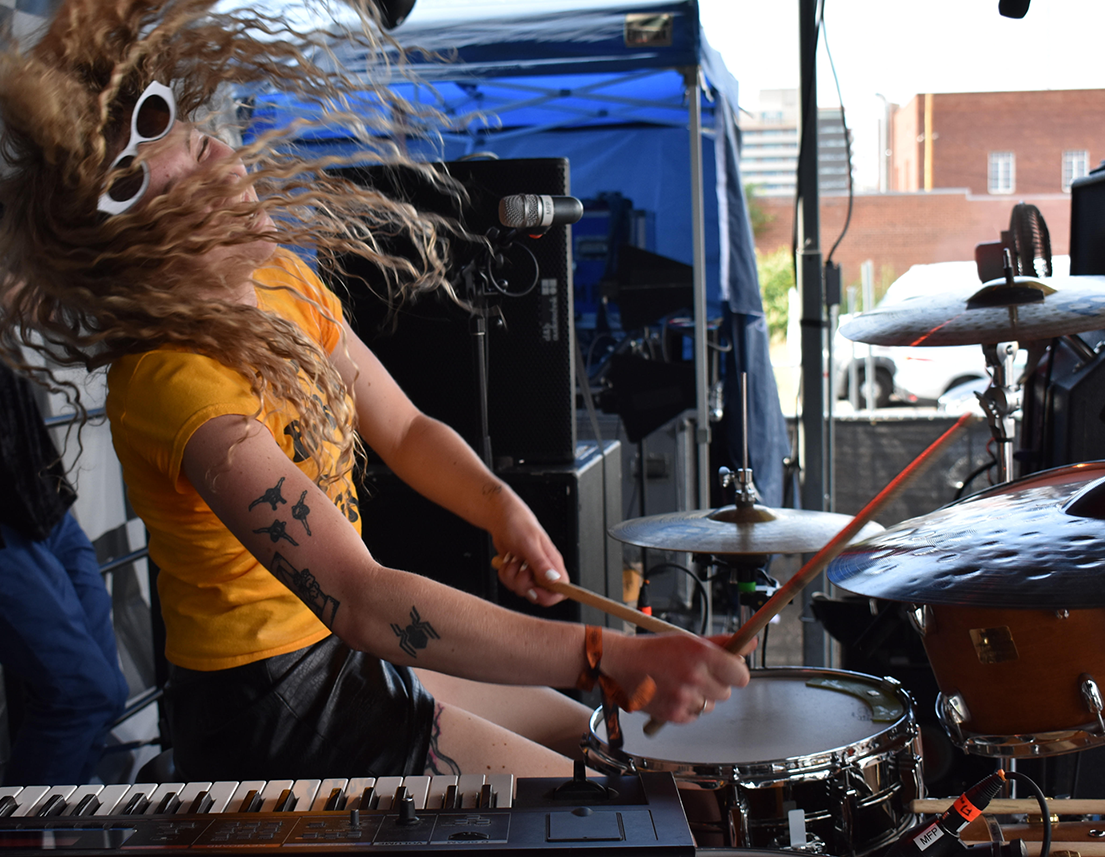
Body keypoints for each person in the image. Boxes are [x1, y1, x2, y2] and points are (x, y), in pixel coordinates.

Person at [0, 0, 750, 782]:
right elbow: (362, 598)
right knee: (609, 801)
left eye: (201, 142)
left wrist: (499, 506)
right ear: (146, 255)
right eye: (186, 188)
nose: (224, 165)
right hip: (274, 707)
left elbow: (407, 429)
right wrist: (602, 653)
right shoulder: (172, 380)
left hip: (347, 654)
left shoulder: (281, 282)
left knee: (622, 753)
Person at [0, 361, 129, 786]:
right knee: (82, 696)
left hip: (40, 496)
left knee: (109, 695)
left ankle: (64, 815)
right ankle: (31, 826)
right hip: (10, 529)